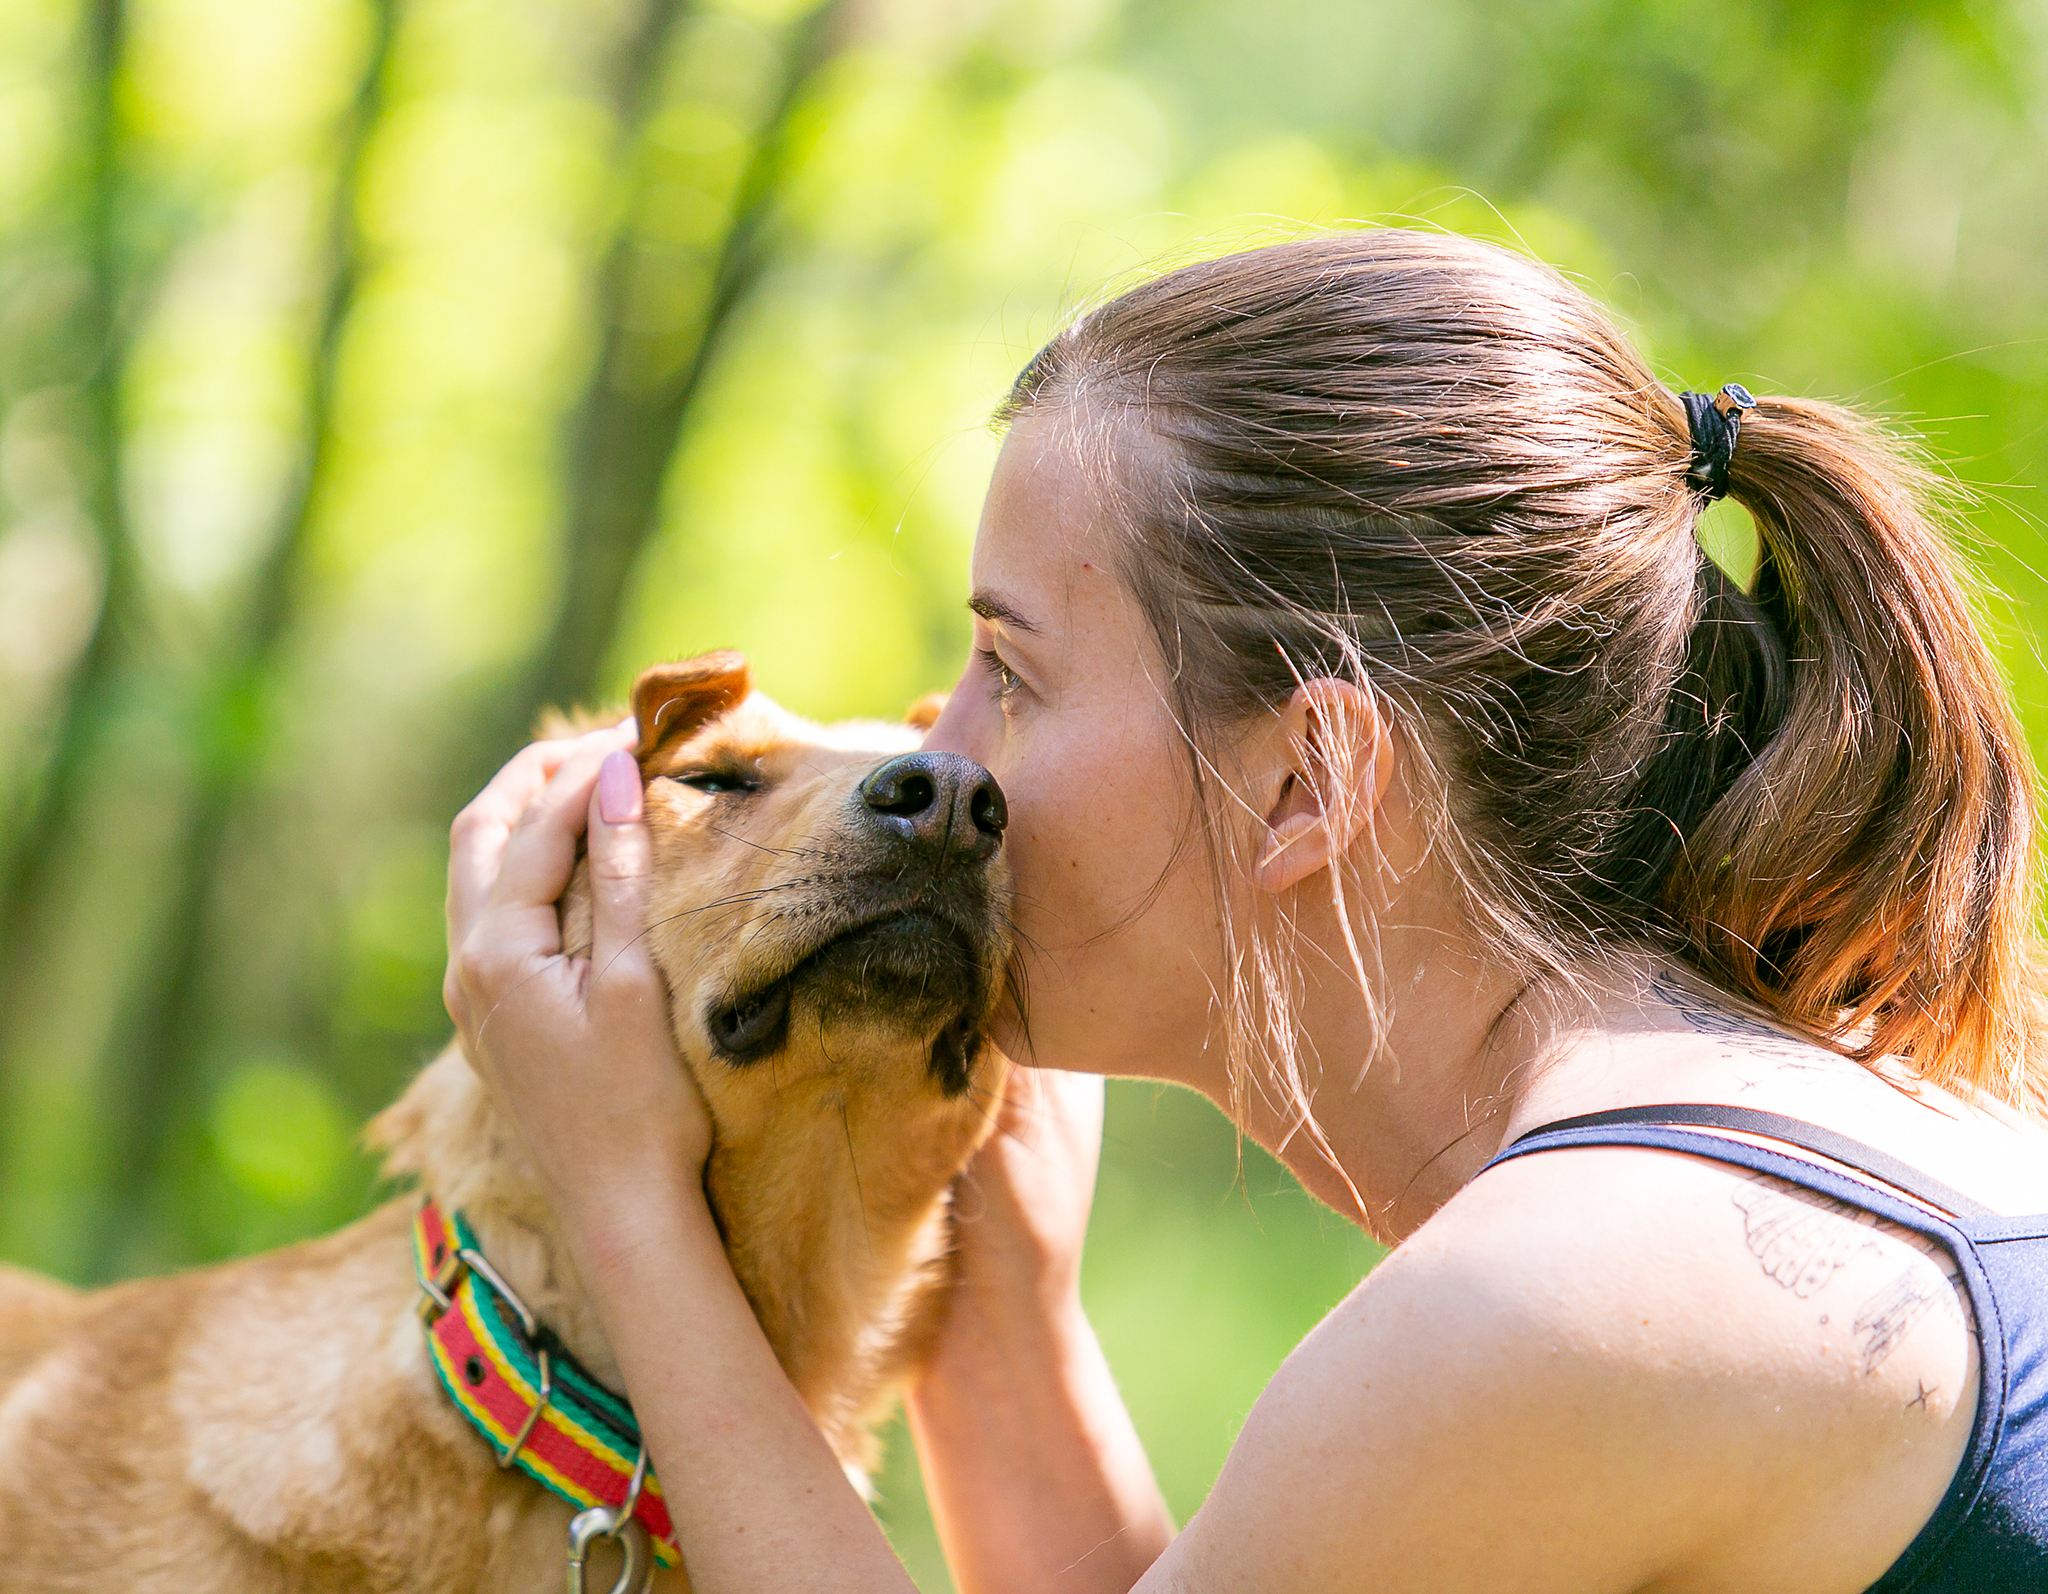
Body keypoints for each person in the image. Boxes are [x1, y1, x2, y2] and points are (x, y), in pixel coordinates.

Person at [441, 229, 2048, 1593]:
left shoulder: (1556, 1299)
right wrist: (1001, 1312)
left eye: (1013, 670)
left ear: (1309, 782)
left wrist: (625, 1201)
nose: (935, 759)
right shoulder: (1787, 1143)